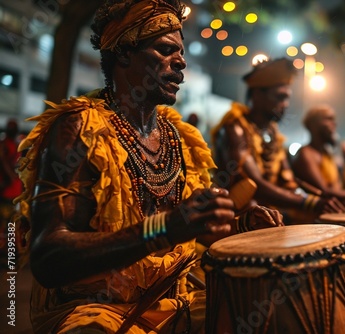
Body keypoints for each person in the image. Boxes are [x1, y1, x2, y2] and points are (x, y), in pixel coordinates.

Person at [16, 1, 282, 333]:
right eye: (166, 50)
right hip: (99, 311)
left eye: (181, 52)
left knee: (270, 306)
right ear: (125, 53)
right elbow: (48, 258)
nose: (181, 62)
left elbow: (189, 231)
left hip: (175, 300)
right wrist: (164, 229)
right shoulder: (78, 128)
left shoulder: (179, 136)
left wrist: (238, 225)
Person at [211, 58, 345, 225]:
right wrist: (309, 203)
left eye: (287, 98)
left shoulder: (273, 134)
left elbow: (288, 181)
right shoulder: (235, 128)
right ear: (257, 95)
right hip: (237, 219)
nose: (285, 104)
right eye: (280, 97)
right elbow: (255, 185)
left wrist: (316, 196)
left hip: (271, 214)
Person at [291, 104, 345, 209]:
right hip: (312, 221)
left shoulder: (326, 153)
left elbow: (337, 188)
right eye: (329, 119)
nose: (334, 123)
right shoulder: (306, 154)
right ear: (313, 125)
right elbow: (325, 192)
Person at [0, 119, 24, 269]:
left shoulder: (16, 145)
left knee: (11, 225)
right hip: (6, 192)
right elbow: (3, 162)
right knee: (6, 225)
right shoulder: (4, 145)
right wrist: (11, 178)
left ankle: (10, 255)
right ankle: (8, 256)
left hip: (14, 193)